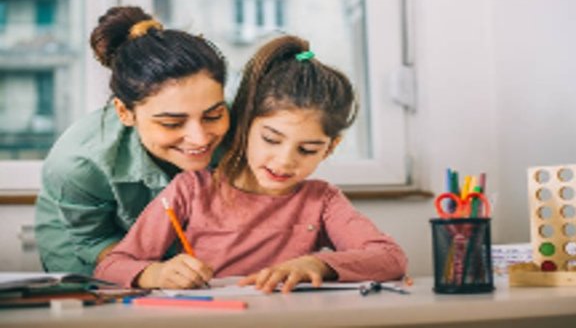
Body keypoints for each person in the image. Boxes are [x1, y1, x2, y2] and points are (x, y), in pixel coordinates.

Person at [94, 35, 408, 293]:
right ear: (245, 126)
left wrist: (317, 265)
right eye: (271, 139)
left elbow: (391, 258)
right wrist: (156, 274)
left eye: (308, 149)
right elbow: (110, 266)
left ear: (329, 148)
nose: (285, 161)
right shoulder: (191, 190)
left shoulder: (321, 200)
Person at [34, 6, 230, 275]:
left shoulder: (246, 128)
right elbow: (92, 241)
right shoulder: (78, 163)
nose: (200, 138)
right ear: (125, 112)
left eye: (213, 115)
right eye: (172, 123)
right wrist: (149, 273)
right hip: (90, 251)